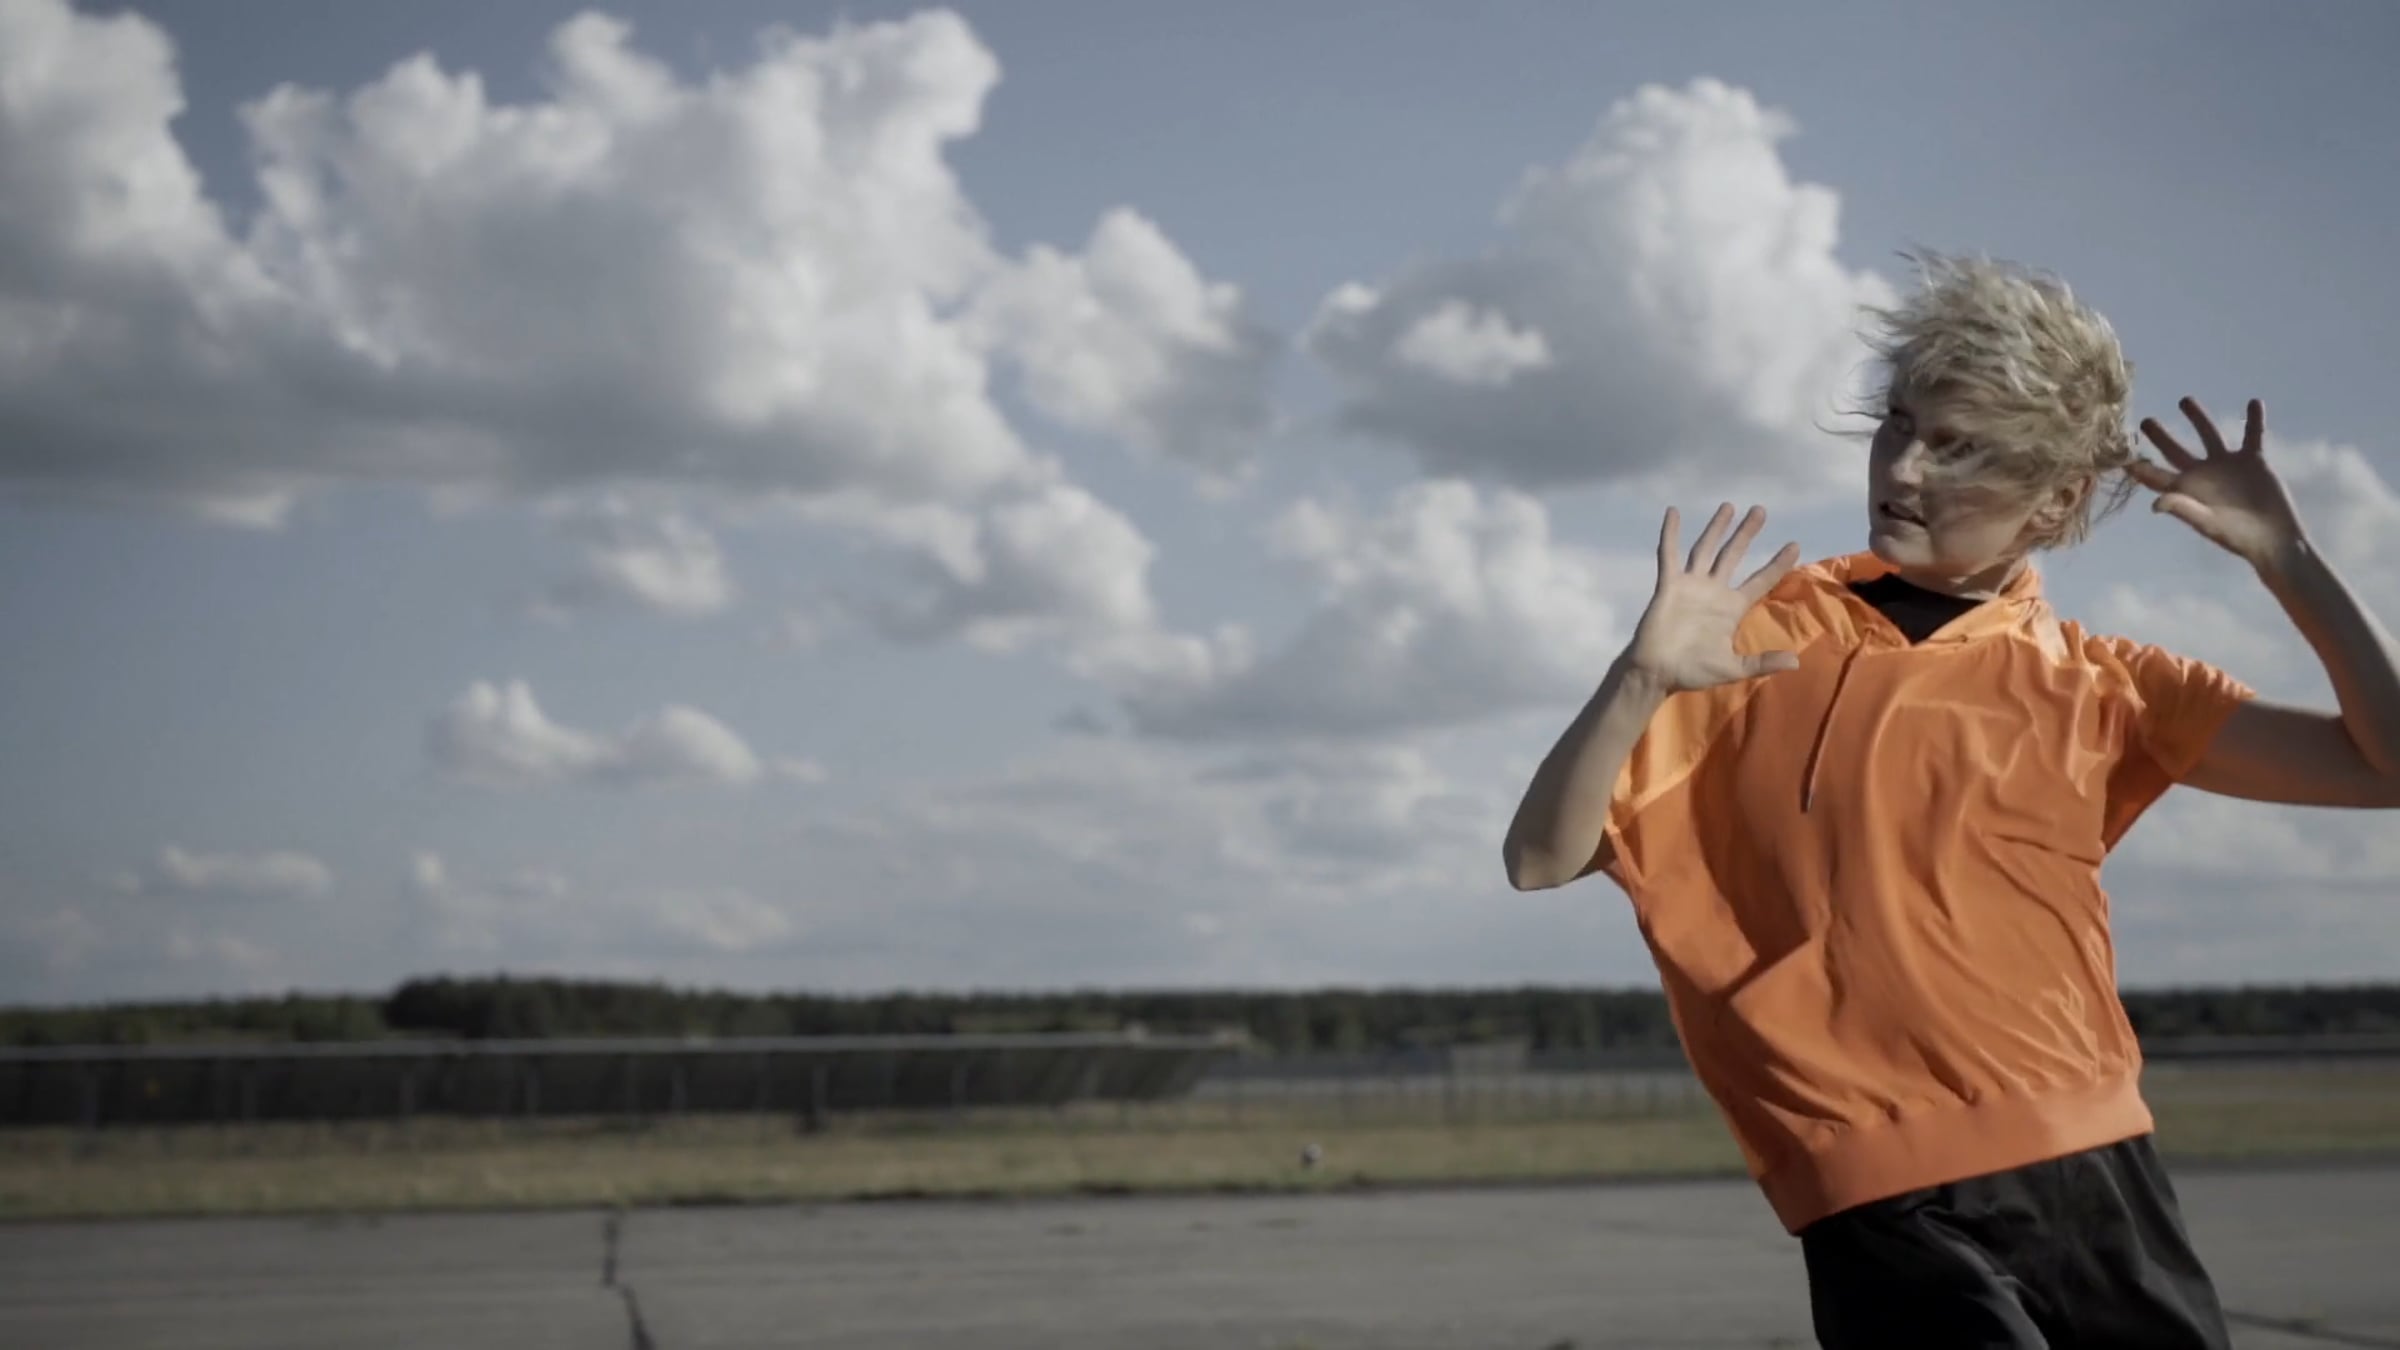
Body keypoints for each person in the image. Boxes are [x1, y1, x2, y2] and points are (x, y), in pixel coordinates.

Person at [1501, 253, 2400, 1348]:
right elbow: (1538, 858)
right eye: (1898, 423)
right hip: (1875, 1189)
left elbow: (2385, 768)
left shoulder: (2105, 684)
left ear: (2059, 498)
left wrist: (2289, 560)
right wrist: (1637, 681)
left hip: (2091, 1161)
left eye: (1960, 447)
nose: (1905, 467)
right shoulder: (1754, 639)